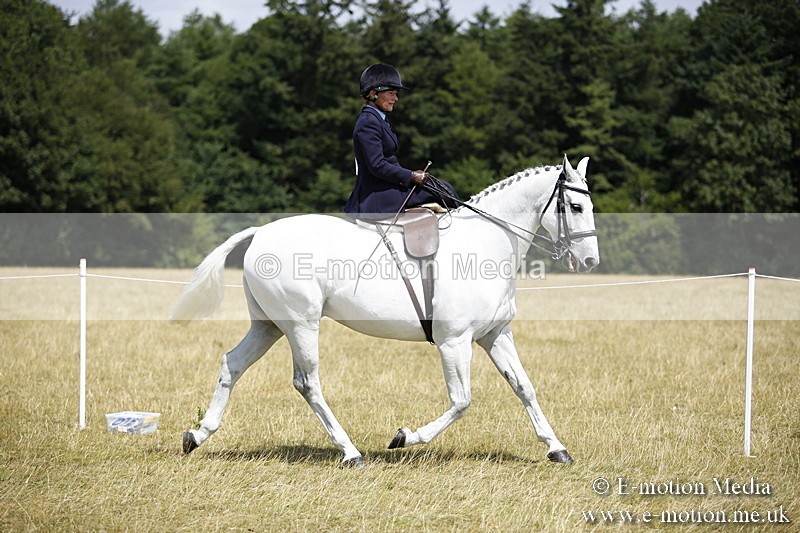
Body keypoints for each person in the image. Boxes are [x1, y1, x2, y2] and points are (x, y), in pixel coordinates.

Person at [344, 63, 459, 221]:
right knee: (443, 191)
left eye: (396, 94)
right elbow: (377, 165)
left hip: (386, 187)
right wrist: (411, 176)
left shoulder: (379, 119)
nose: (395, 98)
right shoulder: (368, 123)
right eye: (391, 93)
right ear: (373, 94)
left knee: (444, 188)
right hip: (376, 195)